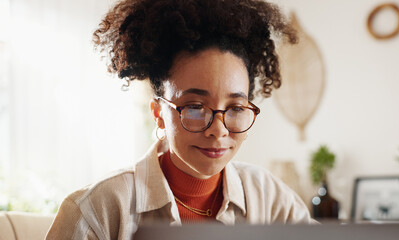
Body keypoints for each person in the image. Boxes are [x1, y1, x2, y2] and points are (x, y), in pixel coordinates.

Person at [46, 0, 316, 239]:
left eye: (235, 108)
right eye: (196, 107)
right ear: (158, 114)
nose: (218, 131)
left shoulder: (269, 197)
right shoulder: (96, 211)